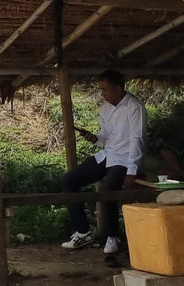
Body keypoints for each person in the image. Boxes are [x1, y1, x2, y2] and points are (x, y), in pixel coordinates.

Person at [61, 69, 146, 254]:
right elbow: (108, 137)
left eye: (106, 89)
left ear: (118, 87)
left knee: (107, 191)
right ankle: (83, 232)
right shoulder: (104, 109)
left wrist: (132, 170)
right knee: (69, 180)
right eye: (101, 89)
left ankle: (112, 237)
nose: (103, 94)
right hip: (107, 154)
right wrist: (95, 138)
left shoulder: (134, 107)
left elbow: (136, 139)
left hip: (125, 159)